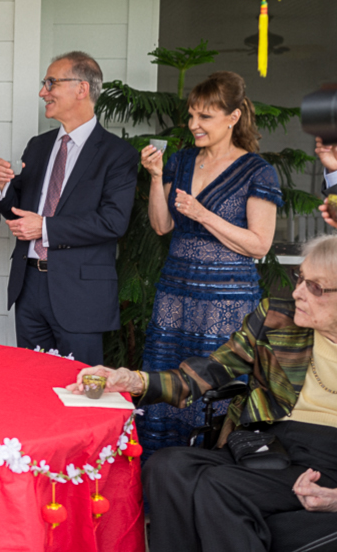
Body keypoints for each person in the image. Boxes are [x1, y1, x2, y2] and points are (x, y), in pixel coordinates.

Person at [67, 234, 337, 552]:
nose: (297, 293)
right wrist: (132, 380)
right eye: (299, 278)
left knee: (218, 486)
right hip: (266, 441)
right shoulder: (276, 318)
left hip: (327, 458)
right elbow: (210, 370)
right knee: (166, 466)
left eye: (315, 287)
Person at [136, 71, 281, 457]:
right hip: (176, 293)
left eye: (205, 117)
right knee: (167, 383)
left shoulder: (257, 171)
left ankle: (210, 482)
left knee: (217, 388)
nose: (194, 125)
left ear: (233, 117)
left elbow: (259, 244)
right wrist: (155, 178)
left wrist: (203, 214)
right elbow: (161, 225)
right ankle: (159, 483)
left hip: (227, 303)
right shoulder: (182, 161)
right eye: (192, 115)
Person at [0, 51, 137, 365]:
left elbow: (113, 221)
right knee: (31, 384)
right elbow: (19, 211)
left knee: (79, 388)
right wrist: (3, 186)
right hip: (28, 286)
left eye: (51, 83)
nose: (43, 92)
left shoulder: (118, 154)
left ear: (81, 89)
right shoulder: (39, 145)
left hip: (80, 294)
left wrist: (44, 228)